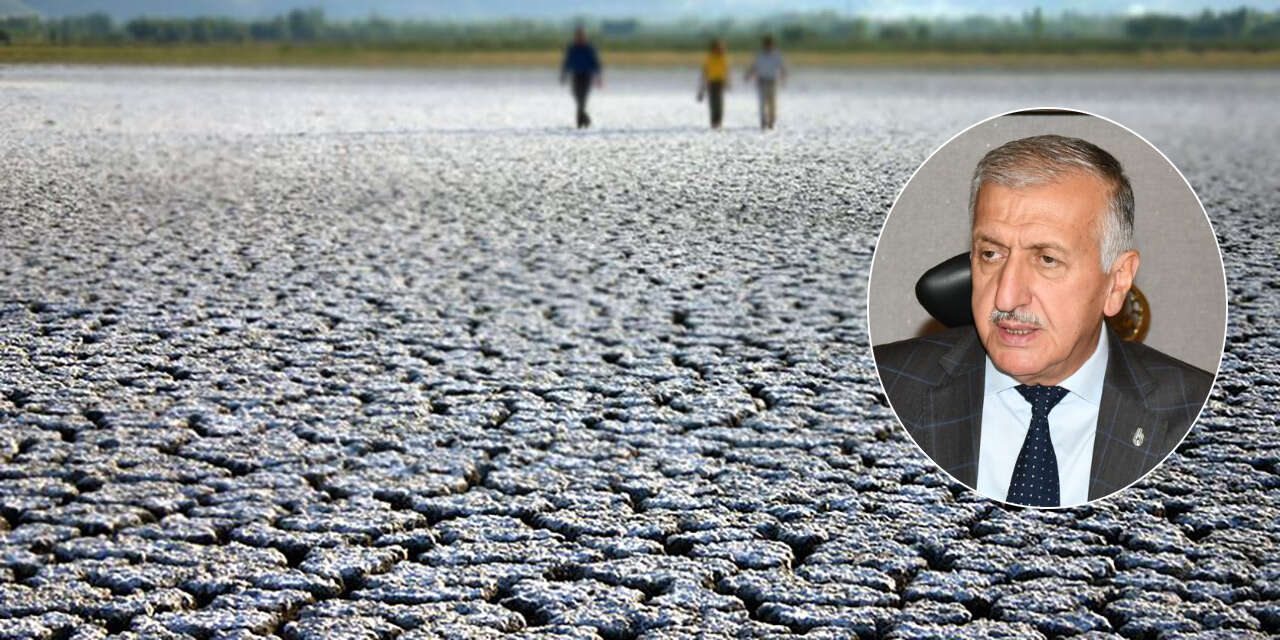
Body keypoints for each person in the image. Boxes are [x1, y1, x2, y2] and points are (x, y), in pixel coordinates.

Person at [873, 134, 1213, 508]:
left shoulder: (1196, 412)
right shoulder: (886, 387)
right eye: (991, 254)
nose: (1005, 296)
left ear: (1116, 281)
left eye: (1047, 259)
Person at [560, 26, 602, 129]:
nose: (579, 38)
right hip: (576, 76)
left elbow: (595, 63)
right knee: (577, 98)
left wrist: (599, 77)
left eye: (581, 36)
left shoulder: (589, 49)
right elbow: (567, 62)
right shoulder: (572, 48)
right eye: (577, 36)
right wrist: (563, 75)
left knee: (582, 100)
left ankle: (580, 124)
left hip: (587, 76)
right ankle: (586, 120)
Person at [744, 35, 786, 130]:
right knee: (762, 103)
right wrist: (748, 75)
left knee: (772, 103)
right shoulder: (759, 54)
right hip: (762, 81)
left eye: (770, 44)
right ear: (764, 45)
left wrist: (783, 77)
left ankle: (771, 121)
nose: (769, 46)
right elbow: (754, 66)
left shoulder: (776, 55)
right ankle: (763, 122)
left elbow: (782, 67)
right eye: (767, 44)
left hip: (772, 82)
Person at [697, 38, 729, 129]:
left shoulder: (722, 57)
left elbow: (726, 70)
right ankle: (713, 121)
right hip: (711, 81)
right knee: (712, 102)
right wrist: (702, 83)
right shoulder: (709, 57)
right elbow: (705, 70)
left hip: (720, 81)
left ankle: (718, 121)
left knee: (718, 102)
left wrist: (727, 81)